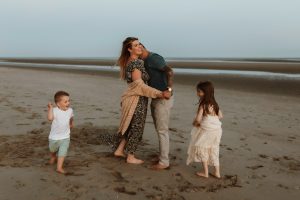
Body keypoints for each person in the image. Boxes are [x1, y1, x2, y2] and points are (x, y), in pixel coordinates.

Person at [113, 37, 170, 164]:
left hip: (133, 97)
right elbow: (140, 86)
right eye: (136, 45)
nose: (140, 47)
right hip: (136, 100)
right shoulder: (136, 63)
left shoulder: (130, 61)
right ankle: (130, 156)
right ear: (129, 49)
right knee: (136, 128)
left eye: (140, 45)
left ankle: (119, 150)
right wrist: (159, 93)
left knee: (130, 126)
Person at [140, 44, 174, 170]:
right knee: (159, 129)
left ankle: (164, 161)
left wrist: (169, 90)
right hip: (156, 98)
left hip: (164, 99)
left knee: (162, 130)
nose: (137, 50)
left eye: (139, 47)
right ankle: (162, 156)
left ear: (142, 48)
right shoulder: (144, 61)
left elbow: (169, 71)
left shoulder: (153, 58)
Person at [186, 81, 223, 178]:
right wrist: (212, 121)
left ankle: (206, 173)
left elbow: (198, 119)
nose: (197, 93)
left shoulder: (203, 105)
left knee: (202, 149)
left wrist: (195, 123)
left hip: (207, 131)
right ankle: (217, 172)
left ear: (205, 92)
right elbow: (220, 116)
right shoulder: (214, 103)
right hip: (217, 130)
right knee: (214, 149)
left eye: (199, 91)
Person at [47, 91, 74, 174]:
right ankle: (52, 156)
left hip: (65, 137)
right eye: (65, 101)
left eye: (69, 101)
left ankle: (59, 167)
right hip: (54, 137)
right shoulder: (54, 111)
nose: (68, 103)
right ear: (58, 104)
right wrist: (50, 109)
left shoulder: (70, 110)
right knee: (52, 150)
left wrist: (71, 123)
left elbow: (71, 117)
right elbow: (50, 118)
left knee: (63, 152)